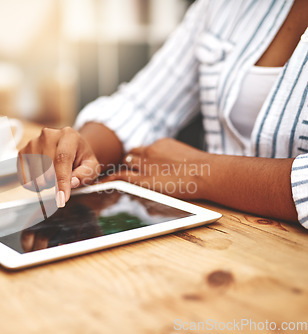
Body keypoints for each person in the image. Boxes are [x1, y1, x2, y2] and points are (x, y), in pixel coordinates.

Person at [19, 0, 308, 228]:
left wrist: (202, 172)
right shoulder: (224, 6)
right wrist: (84, 150)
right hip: (220, 235)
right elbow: (143, 106)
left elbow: (199, 171)